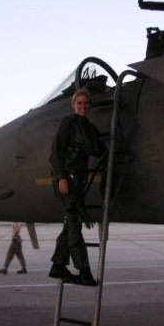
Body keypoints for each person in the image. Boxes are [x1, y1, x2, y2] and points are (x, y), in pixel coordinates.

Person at [48, 89, 106, 286]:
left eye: (86, 103)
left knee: (71, 224)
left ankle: (58, 265)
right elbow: (55, 154)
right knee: (74, 225)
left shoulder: (89, 128)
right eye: (79, 103)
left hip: (78, 184)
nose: (83, 106)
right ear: (73, 105)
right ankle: (84, 271)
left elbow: (100, 150)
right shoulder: (68, 123)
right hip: (66, 182)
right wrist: (62, 177)